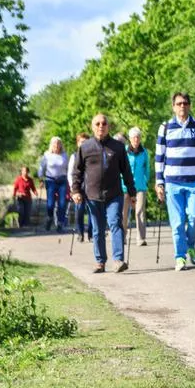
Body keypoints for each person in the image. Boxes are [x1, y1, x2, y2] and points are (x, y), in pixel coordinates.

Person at [71, 114, 137, 273]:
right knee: (97, 229)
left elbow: (126, 172)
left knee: (115, 223)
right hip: (92, 196)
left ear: (108, 126)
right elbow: (77, 172)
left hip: (114, 195)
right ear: (92, 127)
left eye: (104, 123)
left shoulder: (118, 147)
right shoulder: (85, 147)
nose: (101, 126)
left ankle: (118, 260)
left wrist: (132, 192)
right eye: (98, 124)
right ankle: (100, 262)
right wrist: (75, 191)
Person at [155, 92, 195, 271]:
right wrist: (159, 182)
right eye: (179, 103)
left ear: (190, 105)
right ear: (173, 106)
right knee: (178, 222)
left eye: (185, 103)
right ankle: (180, 257)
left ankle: (189, 245)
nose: (182, 106)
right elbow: (159, 157)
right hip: (172, 182)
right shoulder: (165, 127)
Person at [123, 127, 150, 246]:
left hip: (140, 186)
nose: (136, 139)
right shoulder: (124, 151)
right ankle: (122, 237)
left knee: (139, 211)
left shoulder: (144, 152)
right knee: (123, 213)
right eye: (134, 137)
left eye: (138, 137)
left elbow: (147, 169)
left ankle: (141, 238)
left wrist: (145, 180)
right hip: (125, 186)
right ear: (130, 139)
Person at [38, 136, 69, 232]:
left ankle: (60, 223)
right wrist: (41, 178)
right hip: (50, 181)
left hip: (62, 181)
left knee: (62, 204)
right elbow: (41, 168)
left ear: (61, 145)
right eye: (55, 143)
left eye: (58, 143)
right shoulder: (47, 155)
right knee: (50, 204)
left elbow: (69, 168)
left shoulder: (64, 155)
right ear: (51, 145)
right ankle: (49, 218)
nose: (57, 145)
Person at [67, 133, 93, 242]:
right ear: (78, 143)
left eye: (86, 142)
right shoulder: (74, 156)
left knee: (92, 212)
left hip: (91, 187)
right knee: (79, 211)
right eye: (81, 142)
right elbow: (70, 173)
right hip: (79, 188)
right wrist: (73, 189)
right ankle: (80, 233)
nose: (83, 144)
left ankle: (91, 233)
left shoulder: (93, 155)